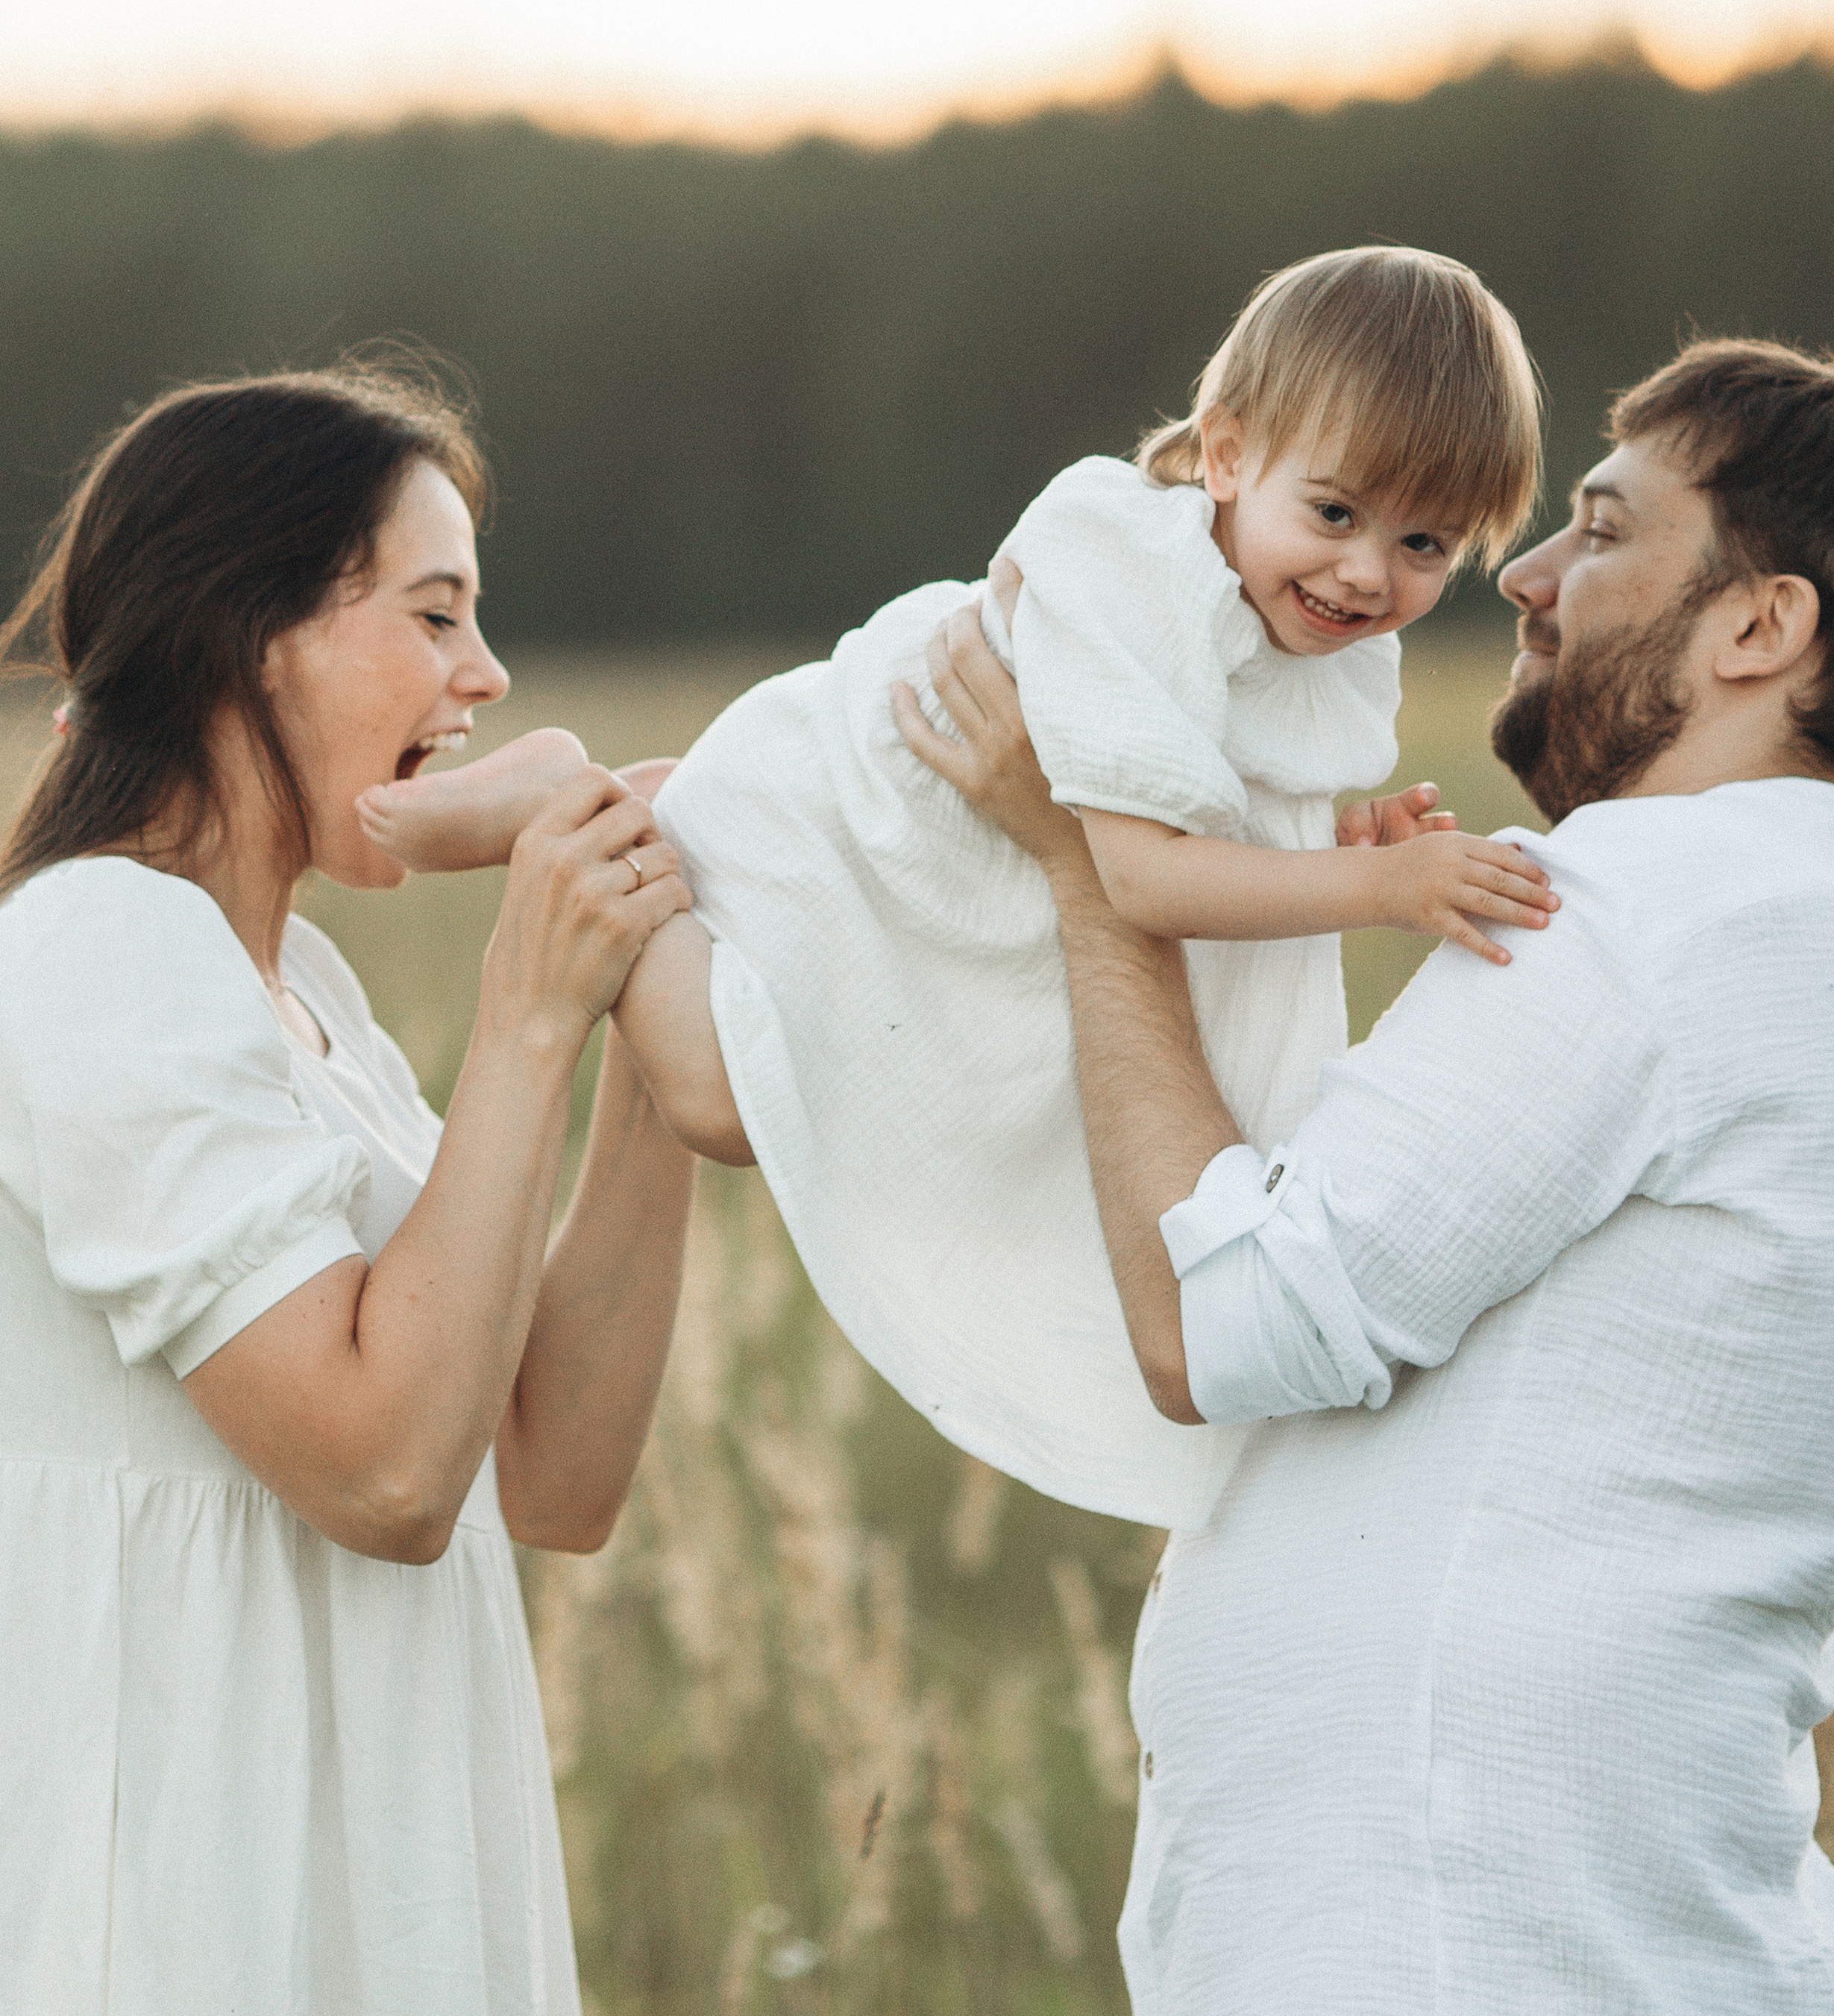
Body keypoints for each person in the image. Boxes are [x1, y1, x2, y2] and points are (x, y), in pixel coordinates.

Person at [895, 336, 1834, 2016]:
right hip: (1608, 2007)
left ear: (1757, 629)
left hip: (1456, 2010)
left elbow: (1220, 1320)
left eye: (1601, 528)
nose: (1525, 576)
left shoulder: (1650, 902)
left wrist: (1086, 874)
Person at [359, 247, 1552, 1526]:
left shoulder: (1311, 627)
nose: (1369, 572)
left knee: (745, 1092)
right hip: (902, 844)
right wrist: (1385, 890)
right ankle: (569, 805)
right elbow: (1144, 874)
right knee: (711, 1095)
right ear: (1226, 456)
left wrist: (1336, 844)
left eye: (1424, 543)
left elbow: (1210, 797)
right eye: (1336, 514)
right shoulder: (1141, 575)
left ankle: (647, 806)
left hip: (989, 892)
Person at [0, 368, 695, 2016]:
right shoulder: (98, 952)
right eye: (434, 614)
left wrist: (643, 1035)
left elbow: (553, 1470)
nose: (488, 678)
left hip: (361, 1880)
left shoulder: (299, 992)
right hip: (201, 1930)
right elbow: (385, 1470)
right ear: (255, 637)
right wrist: (528, 1005)